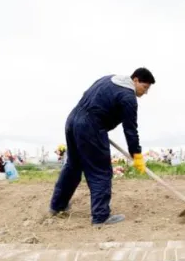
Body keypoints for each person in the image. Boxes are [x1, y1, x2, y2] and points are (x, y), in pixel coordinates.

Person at [49, 68, 155, 225]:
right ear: (136, 80)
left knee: (73, 166)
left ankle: (57, 206)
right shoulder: (128, 97)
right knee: (100, 171)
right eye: (145, 87)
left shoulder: (108, 79)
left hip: (72, 121)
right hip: (90, 126)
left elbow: (89, 96)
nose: (145, 93)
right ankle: (101, 216)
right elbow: (130, 130)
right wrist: (136, 155)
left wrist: (93, 122)